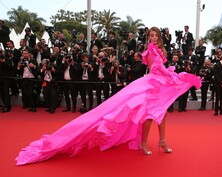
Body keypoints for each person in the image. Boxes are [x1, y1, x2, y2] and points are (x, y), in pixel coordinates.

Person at [15, 26, 201, 165]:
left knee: (162, 113)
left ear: (159, 38)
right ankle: (144, 143)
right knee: (149, 116)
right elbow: (155, 68)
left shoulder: (160, 51)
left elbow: (160, 66)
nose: (152, 38)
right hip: (150, 84)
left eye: (154, 35)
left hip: (158, 84)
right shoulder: (150, 51)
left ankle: (162, 141)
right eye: (149, 35)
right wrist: (170, 73)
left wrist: (170, 74)